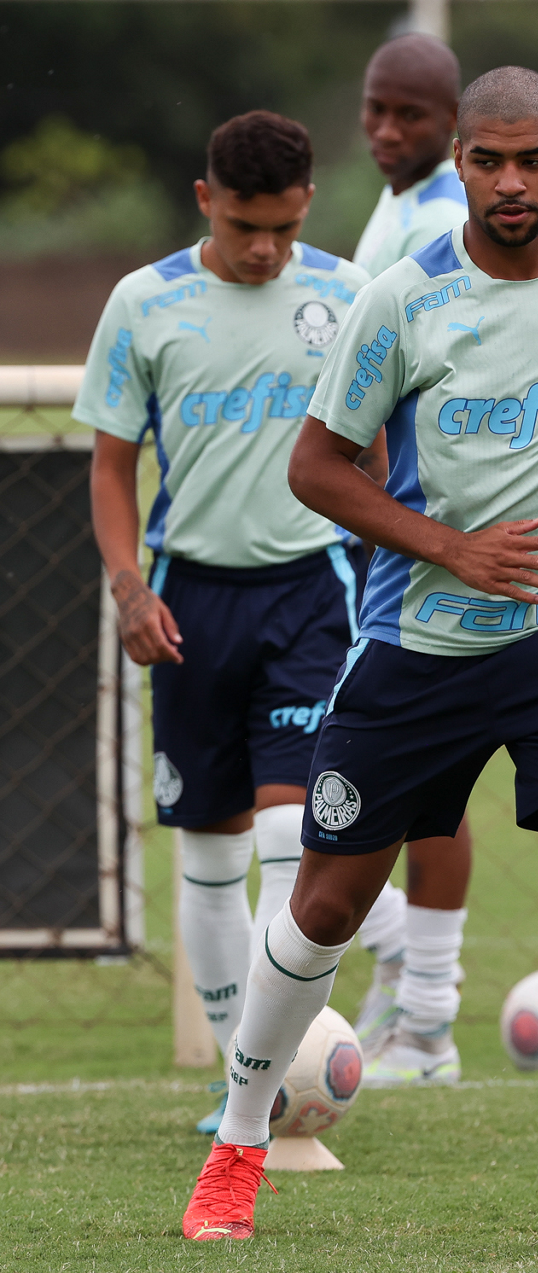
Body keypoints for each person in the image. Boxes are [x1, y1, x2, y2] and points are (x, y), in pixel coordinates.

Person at [182, 68, 538, 1256]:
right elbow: (316, 466)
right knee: (322, 906)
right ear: (459, 163)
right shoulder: (402, 299)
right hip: (416, 650)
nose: (508, 182)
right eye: (486, 160)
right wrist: (449, 547)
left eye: (531, 160)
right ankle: (239, 1144)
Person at [75, 110, 370, 1133]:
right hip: (189, 600)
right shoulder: (143, 302)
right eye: (246, 226)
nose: (265, 249)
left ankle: (266, 1070)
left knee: (292, 830)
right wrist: (129, 587)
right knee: (208, 850)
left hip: (311, 593)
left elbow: (378, 449)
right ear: (206, 200)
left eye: (284, 228)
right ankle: (238, 1072)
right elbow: (111, 466)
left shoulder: (347, 295)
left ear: (308, 207)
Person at [350, 32, 474, 1087]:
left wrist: (374, 509)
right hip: (378, 527)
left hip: (405, 534)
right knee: (402, 766)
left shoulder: (440, 217)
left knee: (424, 768)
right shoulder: (396, 205)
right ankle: (414, 998)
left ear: (451, 124)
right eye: (375, 110)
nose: (388, 130)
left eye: (412, 115)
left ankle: (424, 1014)